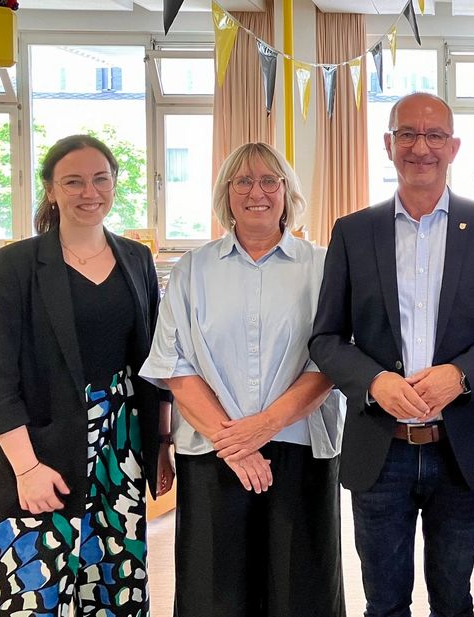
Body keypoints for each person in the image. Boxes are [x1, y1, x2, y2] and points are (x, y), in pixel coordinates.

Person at [309, 92, 474, 617]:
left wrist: (461, 376)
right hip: (380, 451)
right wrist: (374, 382)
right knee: (384, 603)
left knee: (453, 599)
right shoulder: (353, 232)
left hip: (460, 449)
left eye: (434, 136)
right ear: (388, 144)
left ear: (453, 147)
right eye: (407, 134)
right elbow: (326, 339)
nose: (420, 147)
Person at [139, 142, 345, 617]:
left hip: (300, 447)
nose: (258, 192)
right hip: (212, 452)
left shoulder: (323, 265)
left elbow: (331, 361)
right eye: (243, 181)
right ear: (225, 194)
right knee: (214, 592)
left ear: (287, 192)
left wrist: (263, 428)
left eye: (270, 180)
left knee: (301, 591)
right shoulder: (193, 269)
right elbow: (175, 365)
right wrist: (236, 441)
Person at [0, 134, 173, 616]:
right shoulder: (12, 265)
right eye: (74, 181)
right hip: (38, 453)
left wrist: (161, 443)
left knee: (113, 590)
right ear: (50, 190)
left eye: (101, 179)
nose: (90, 192)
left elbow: (155, 363)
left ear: (115, 183)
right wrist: (25, 468)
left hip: (119, 453)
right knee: (30, 597)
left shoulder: (136, 258)